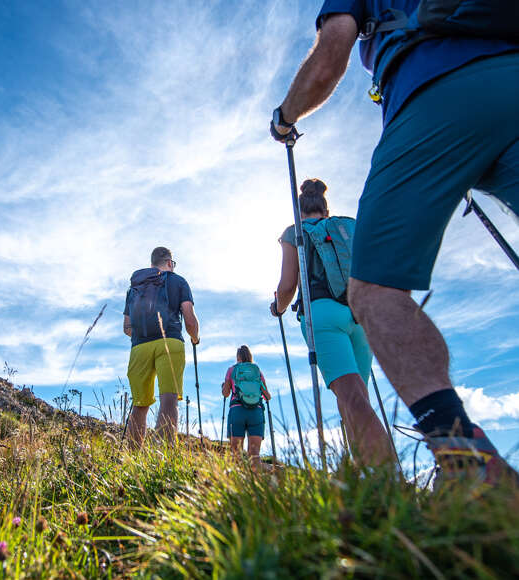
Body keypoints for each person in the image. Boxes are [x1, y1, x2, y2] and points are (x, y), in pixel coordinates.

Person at [270, 2, 518, 486]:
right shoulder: (349, 224)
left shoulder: (295, 232)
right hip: (508, 68)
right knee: (363, 385)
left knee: (367, 335)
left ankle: (456, 470)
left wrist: (284, 119)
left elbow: (330, 53)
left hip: (430, 92)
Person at [272, 178, 393, 465]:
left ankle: (389, 479)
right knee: (355, 401)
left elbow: (288, 285)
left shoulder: (295, 232)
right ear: (326, 210)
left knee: (352, 401)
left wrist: (277, 308)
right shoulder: (347, 227)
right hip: (359, 316)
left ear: (299, 211)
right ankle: (367, 475)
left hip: (322, 314)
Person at [123, 247, 199, 446]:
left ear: (151, 265)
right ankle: (163, 454)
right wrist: (195, 338)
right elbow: (189, 319)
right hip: (171, 342)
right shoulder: (178, 281)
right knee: (168, 398)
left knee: (140, 404)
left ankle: (133, 459)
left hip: (139, 346)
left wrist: (144, 334)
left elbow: (127, 327)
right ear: (169, 263)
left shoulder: (135, 288)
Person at [222, 345, 271, 470]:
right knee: (254, 456)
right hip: (256, 412)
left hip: (237, 411)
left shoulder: (232, 370)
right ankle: (254, 485)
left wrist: (224, 386)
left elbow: (226, 393)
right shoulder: (257, 371)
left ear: (238, 357)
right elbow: (267, 396)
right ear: (250, 356)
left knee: (236, 454)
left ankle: (237, 484)